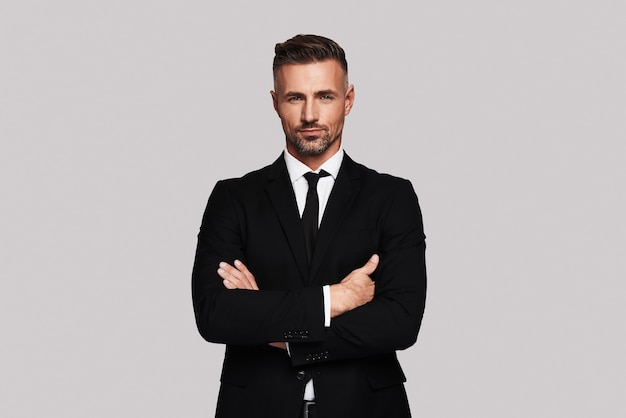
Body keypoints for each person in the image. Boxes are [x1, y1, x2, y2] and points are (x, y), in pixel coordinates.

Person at [192, 34, 427, 418]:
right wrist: (333, 300)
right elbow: (216, 314)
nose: (310, 116)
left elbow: (399, 322)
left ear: (348, 100)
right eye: (295, 97)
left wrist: (286, 337)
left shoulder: (392, 197)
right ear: (275, 102)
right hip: (255, 407)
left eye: (325, 96)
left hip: (366, 407)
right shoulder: (233, 197)